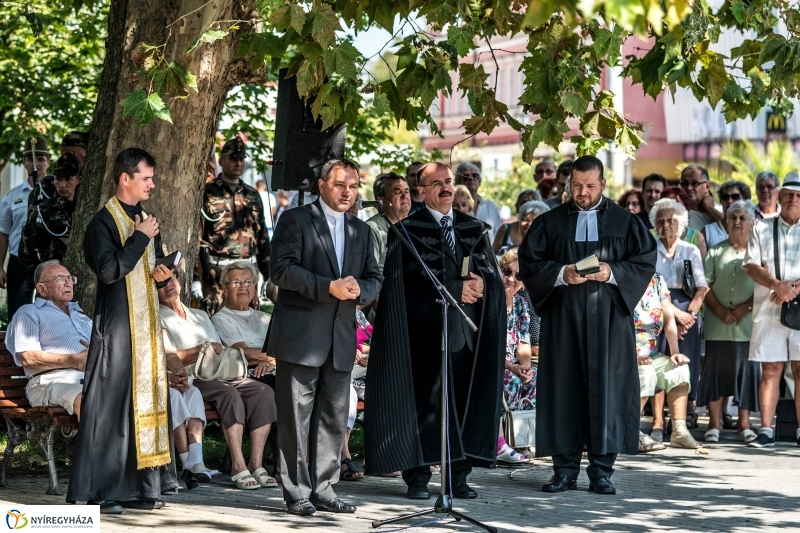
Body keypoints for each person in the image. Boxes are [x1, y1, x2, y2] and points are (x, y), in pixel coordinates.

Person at [366, 162, 504, 501]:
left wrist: (483, 285)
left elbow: (492, 277)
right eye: (436, 183)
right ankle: (417, 478)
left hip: (466, 336)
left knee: (461, 407)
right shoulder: (408, 230)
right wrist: (455, 289)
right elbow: (403, 286)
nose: (445, 188)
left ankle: (458, 476)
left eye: (449, 181)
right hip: (423, 337)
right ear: (422, 191)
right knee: (424, 408)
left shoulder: (474, 228)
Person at [519, 155, 656, 496]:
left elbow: (644, 261)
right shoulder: (549, 223)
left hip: (609, 321)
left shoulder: (626, 222)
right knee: (564, 390)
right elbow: (529, 262)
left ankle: (601, 472)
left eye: (590, 186)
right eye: (576, 186)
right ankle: (564, 471)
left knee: (607, 392)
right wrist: (561, 274)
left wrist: (613, 272)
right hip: (563, 321)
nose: (582, 193)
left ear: (603, 185)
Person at [266, 158, 382, 516]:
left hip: (340, 338)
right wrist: (327, 287)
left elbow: (375, 278)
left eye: (353, 185)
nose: (347, 192)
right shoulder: (296, 219)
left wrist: (358, 289)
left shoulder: (361, 231)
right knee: (295, 419)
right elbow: (281, 270)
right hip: (300, 335)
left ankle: (325, 487)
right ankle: (296, 491)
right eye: (339, 185)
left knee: (333, 417)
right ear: (320, 186)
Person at [67, 148, 177, 512]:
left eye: (152, 177)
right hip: (115, 327)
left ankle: (144, 488)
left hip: (145, 329)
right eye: (146, 177)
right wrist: (140, 238)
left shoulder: (146, 218)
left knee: (141, 404)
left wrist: (162, 275)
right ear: (124, 178)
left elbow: (147, 268)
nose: (152, 184)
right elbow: (110, 271)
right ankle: (104, 491)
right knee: (111, 408)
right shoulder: (102, 222)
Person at [158, 270, 277, 490]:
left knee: (263, 392)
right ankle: (238, 466)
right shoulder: (157, 316)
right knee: (228, 394)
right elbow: (169, 356)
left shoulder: (200, 314)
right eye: (161, 284)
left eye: (171, 279)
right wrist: (200, 350)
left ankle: (256, 464)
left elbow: (223, 350)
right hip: (195, 377)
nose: (168, 286)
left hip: (224, 372)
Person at [744, 176, 800, 448]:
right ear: (779, 196)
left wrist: (791, 289)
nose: (794, 199)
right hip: (769, 309)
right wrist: (777, 285)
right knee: (771, 370)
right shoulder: (761, 227)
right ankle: (766, 430)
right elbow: (751, 265)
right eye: (788, 194)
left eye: (799, 195)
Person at [699, 201, 760, 444]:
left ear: (752, 223)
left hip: (748, 327)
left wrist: (745, 308)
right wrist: (721, 311)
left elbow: (766, 285)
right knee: (715, 374)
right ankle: (714, 423)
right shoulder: (715, 251)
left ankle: (744, 424)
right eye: (733, 217)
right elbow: (704, 285)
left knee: (746, 374)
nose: (736, 222)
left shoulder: (758, 253)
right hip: (717, 324)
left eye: (742, 218)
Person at [650, 198, 708, 434]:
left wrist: (690, 315)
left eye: (671, 220)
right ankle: (656, 421)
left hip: (688, 309)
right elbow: (650, 287)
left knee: (684, 365)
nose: (666, 225)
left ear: (681, 223)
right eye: (661, 220)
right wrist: (675, 315)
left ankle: (679, 422)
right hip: (657, 308)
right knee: (659, 362)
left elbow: (702, 288)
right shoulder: (651, 249)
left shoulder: (690, 249)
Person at [194, 137, 271, 315]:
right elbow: (197, 236)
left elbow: (263, 238)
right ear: (221, 161)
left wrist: (267, 276)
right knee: (218, 328)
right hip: (218, 275)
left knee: (249, 324)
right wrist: (195, 278)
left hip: (247, 272)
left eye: (241, 159)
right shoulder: (208, 192)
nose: (238, 163)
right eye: (233, 158)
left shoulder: (252, 194)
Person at [5, 261, 88, 421]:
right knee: (90, 400)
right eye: (60, 278)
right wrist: (75, 360)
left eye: (70, 278)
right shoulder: (29, 313)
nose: (68, 282)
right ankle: (93, 446)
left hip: (92, 380)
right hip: (50, 382)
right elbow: (28, 358)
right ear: (42, 289)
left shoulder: (83, 319)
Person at [634, 273, 698, 451]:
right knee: (645, 374)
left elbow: (669, 318)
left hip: (651, 353)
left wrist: (675, 352)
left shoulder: (656, 280)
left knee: (679, 369)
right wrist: (633, 354)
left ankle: (679, 431)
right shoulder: (621, 276)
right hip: (623, 354)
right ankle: (632, 432)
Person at [0, 137, 49, 321]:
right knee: (18, 313)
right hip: (19, 262)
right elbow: (3, 233)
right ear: (24, 162)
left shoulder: (55, 193)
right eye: (30, 158)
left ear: (48, 161)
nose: (36, 163)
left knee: (49, 313)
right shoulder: (12, 196)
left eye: (41, 158)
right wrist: (0, 267)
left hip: (48, 261)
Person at [210, 262, 276, 386]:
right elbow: (243, 352)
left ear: (254, 286)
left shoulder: (266, 317)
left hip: (272, 366)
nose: (243, 287)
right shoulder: (221, 318)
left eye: (247, 282)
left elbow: (284, 347)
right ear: (225, 289)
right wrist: (278, 358)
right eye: (236, 282)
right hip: (249, 373)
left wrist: (273, 362)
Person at [497, 248, 535, 465]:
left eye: (518, 276)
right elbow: (488, 347)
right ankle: (500, 442)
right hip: (493, 362)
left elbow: (523, 342)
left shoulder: (521, 303)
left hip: (512, 362)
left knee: (535, 377)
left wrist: (525, 366)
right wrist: (512, 367)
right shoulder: (490, 300)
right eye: (506, 271)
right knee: (508, 378)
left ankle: (522, 438)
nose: (511, 279)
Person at [18, 153, 81, 273]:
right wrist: (44, 274)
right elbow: (25, 252)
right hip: (53, 280)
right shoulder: (42, 210)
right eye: (58, 179)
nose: (62, 185)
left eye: (68, 179)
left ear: (78, 179)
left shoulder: (84, 208)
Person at [365, 172, 412, 272]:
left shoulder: (416, 224)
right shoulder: (372, 228)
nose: (404, 196)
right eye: (397, 192)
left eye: (406, 191)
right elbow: (370, 273)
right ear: (381, 200)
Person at [455, 161, 502, 242]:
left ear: (479, 182)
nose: (471, 178)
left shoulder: (491, 206)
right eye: (466, 176)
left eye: (475, 175)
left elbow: (499, 236)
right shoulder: (454, 206)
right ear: (458, 181)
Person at [660, 186, 708, 259]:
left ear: (686, 210)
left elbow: (702, 269)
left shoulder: (697, 238)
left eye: (678, 204)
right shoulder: (651, 236)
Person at [702, 180, 751, 248]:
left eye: (735, 197)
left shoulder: (753, 230)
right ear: (721, 201)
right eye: (725, 197)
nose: (729, 201)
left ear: (745, 200)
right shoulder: (708, 232)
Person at [680, 164, 723, 231]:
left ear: (707, 186)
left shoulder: (721, 211)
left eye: (695, 183)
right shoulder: (678, 213)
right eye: (684, 183)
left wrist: (709, 207)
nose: (689, 188)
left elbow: (729, 230)